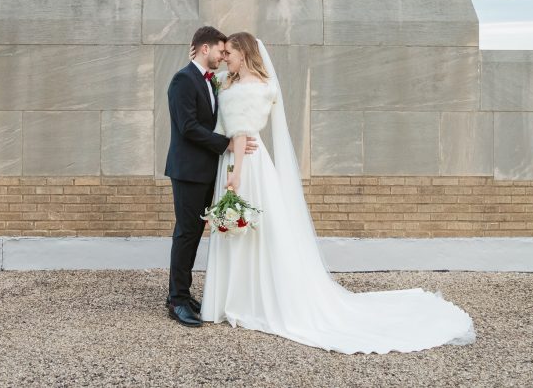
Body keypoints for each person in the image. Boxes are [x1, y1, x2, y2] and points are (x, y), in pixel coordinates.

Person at [199, 31, 477, 353]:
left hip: (244, 163)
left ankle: (246, 299)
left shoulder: (253, 89)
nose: (225, 59)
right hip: (235, 159)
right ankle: (236, 296)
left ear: (244, 54)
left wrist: (235, 177)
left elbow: (242, 133)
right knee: (241, 231)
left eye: (230, 53)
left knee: (250, 231)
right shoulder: (230, 82)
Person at [164, 26, 258, 328]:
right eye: (220, 51)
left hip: (207, 171)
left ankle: (182, 293)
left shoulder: (211, 81)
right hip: (188, 171)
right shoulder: (182, 80)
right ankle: (176, 300)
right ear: (205, 49)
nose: (223, 56)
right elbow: (188, 127)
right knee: (186, 233)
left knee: (195, 232)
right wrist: (227, 145)